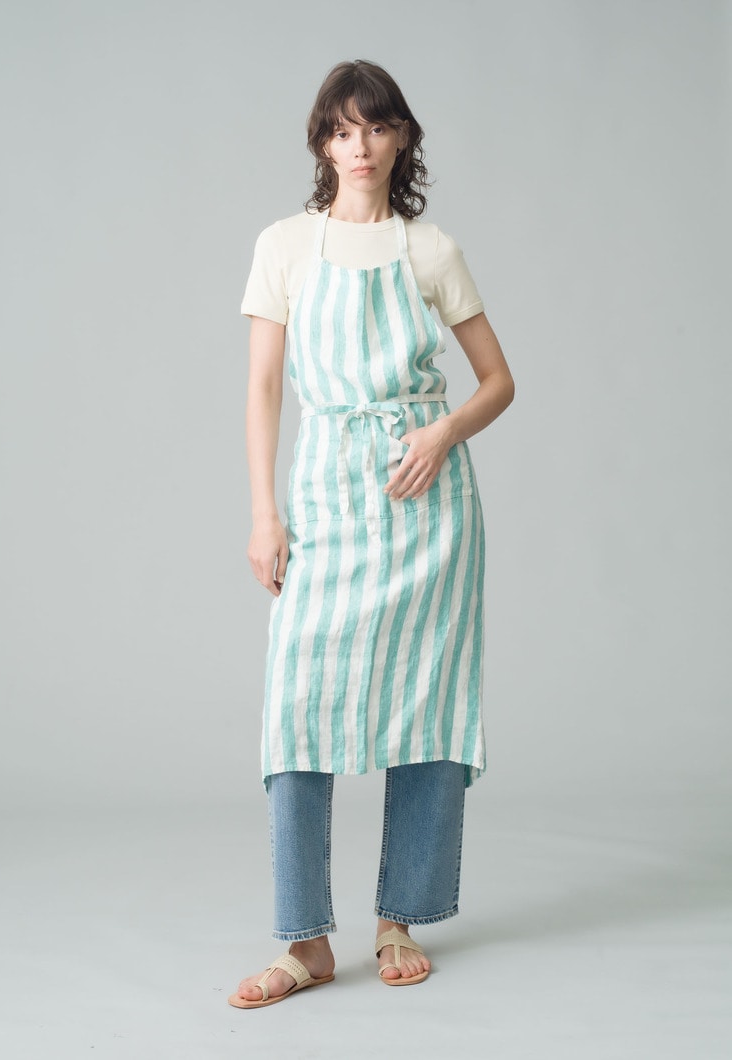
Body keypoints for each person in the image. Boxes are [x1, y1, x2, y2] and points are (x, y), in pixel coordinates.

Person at [229, 59, 514, 1009]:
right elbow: (263, 388)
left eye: (377, 127)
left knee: (428, 700)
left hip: (426, 503)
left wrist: (441, 432)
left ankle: (400, 919)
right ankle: (304, 939)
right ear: (322, 142)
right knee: (296, 705)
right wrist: (264, 514)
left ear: (401, 140)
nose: (359, 147)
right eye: (342, 130)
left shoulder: (430, 251)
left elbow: (498, 382)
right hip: (326, 496)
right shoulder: (284, 245)